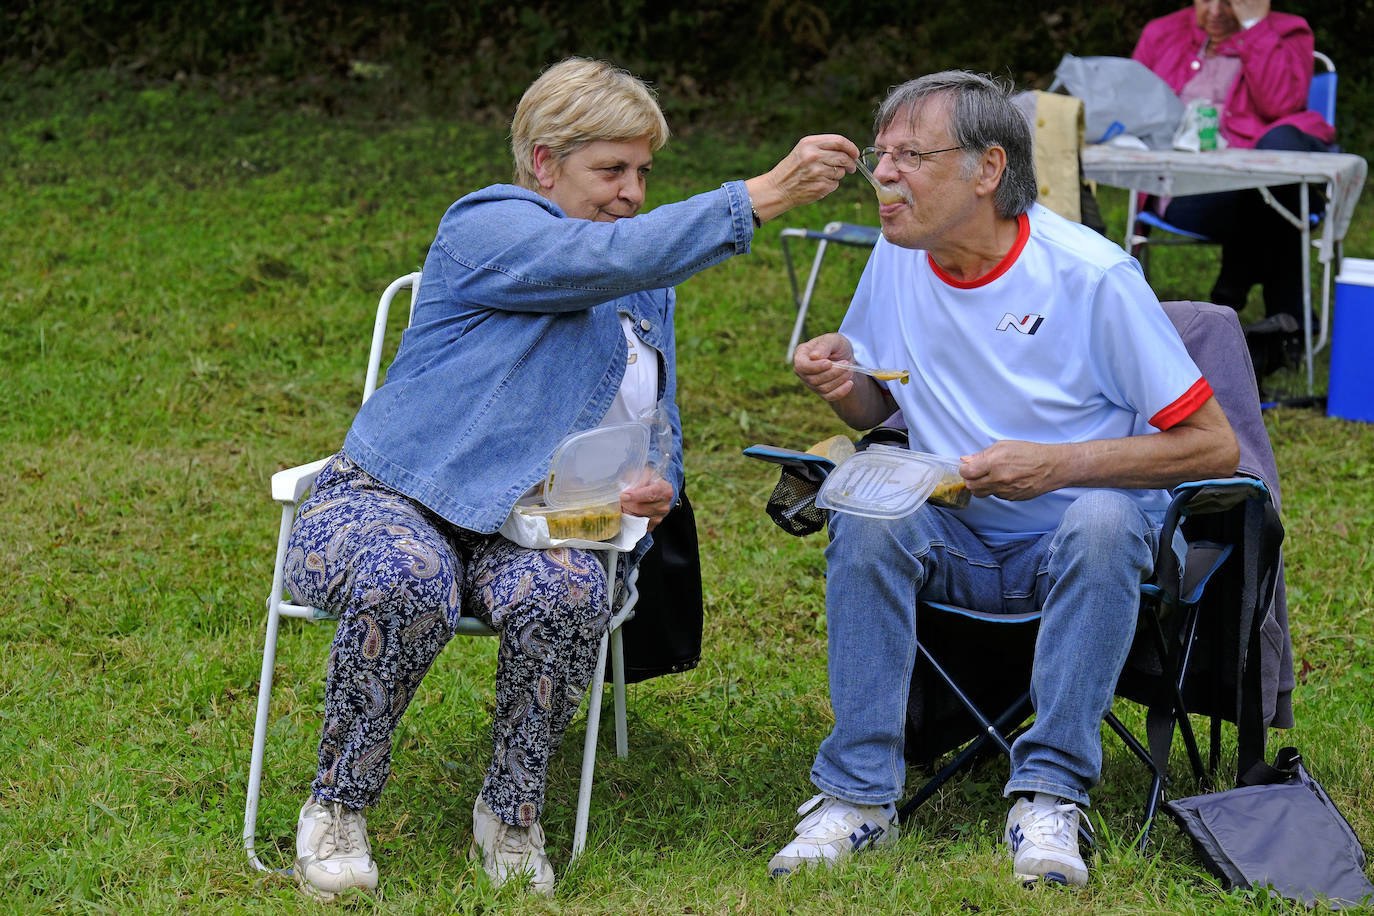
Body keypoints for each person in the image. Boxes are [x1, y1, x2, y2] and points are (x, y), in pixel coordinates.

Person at [282, 57, 858, 901]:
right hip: (395, 499)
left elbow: (656, 417)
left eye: (643, 172)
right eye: (610, 170)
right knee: (408, 573)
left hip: (544, 519)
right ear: (545, 163)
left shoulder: (639, 274)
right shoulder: (488, 226)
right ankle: (337, 805)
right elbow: (597, 259)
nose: (631, 191)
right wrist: (761, 195)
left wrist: (656, 479)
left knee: (564, 592)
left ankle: (510, 812)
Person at [771, 70, 1239, 887]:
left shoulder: (1090, 276)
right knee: (866, 505)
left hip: (1079, 547)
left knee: (1100, 516)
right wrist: (847, 385)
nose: (881, 174)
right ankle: (858, 795)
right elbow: (881, 403)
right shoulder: (900, 254)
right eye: (880, 155)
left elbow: (1212, 447)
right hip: (953, 535)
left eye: (910, 155)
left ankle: (1051, 795)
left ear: (988, 169)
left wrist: (1058, 464)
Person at [1132, 0, 1335, 369]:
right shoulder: (1162, 34)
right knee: (1281, 191)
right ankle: (1290, 323)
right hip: (1184, 189)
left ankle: (1235, 280)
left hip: (1260, 180)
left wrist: (1255, 26)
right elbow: (1130, 109)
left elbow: (1281, 104)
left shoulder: (1289, 33)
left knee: (1277, 160)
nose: (1214, 11)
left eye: (1228, 1)